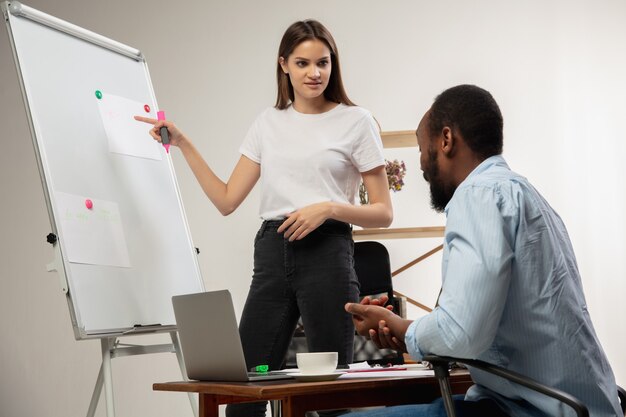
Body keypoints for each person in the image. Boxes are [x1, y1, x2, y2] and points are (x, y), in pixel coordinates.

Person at [136, 20, 393, 417]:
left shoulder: (356, 121)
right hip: (273, 254)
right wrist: (183, 144)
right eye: (303, 63)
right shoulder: (268, 123)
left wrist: (328, 207)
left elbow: (383, 212)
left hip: (328, 252)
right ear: (284, 65)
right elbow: (226, 200)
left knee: (329, 396)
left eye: (323, 62)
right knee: (243, 393)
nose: (314, 73)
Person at [344, 85, 622, 417]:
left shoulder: (478, 195)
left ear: (446, 140)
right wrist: (400, 331)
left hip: (531, 410)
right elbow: (478, 327)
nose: (421, 164)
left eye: (422, 148)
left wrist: (403, 329)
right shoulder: (523, 195)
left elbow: (460, 333)